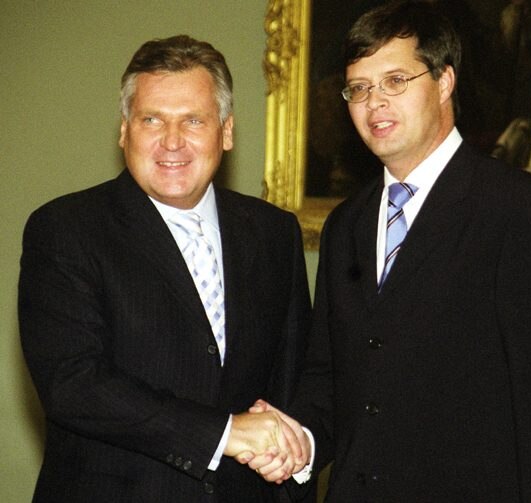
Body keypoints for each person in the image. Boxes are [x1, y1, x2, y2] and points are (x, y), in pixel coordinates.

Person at [251, 1, 531, 500]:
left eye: (395, 81)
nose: (375, 103)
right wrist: (299, 440)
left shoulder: (521, 212)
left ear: (444, 81)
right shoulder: (346, 225)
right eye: (359, 88)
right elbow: (333, 379)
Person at [18, 35, 311, 502]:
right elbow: (73, 384)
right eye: (151, 119)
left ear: (227, 132)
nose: (172, 141)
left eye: (193, 120)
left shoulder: (274, 233)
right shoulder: (65, 229)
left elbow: (295, 378)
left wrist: (295, 449)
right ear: (124, 130)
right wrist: (224, 434)